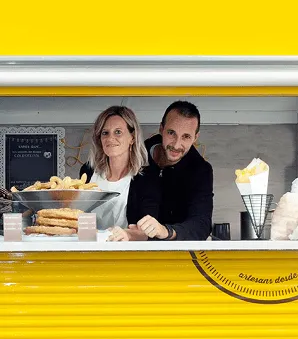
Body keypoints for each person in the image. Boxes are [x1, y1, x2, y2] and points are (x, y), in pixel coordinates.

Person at [137, 100, 213, 241]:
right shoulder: (136, 155)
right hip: (125, 248)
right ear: (161, 129)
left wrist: (166, 231)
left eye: (186, 136)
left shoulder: (201, 171)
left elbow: (201, 225)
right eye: (171, 133)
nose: (177, 145)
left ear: (195, 137)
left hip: (176, 255)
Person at [80, 105, 159, 233]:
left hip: (124, 250)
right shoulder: (88, 171)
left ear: (132, 138)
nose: (110, 138)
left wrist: (124, 235)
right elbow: (81, 215)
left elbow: (146, 232)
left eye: (118, 132)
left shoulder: (147, 178)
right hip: (89, 247)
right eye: (105, 133)